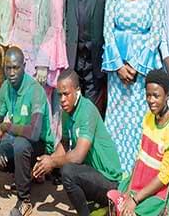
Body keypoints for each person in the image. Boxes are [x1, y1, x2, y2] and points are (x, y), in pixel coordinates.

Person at [101, 0, 163, 172]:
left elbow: (156, 32)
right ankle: (114, 170)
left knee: (139, 121)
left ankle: (137, 173)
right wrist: (119, 66)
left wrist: (136, 66)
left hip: (141, 71)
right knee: (116, 120)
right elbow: (108, 29)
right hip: (118, 71)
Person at [32, 70, 122, 216]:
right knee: (64, 168)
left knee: (68, 171)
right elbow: (65, 143)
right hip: (94, 173)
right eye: (59, 95)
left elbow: (79, 155)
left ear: (78, 91)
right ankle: (96, 206)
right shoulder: (67, 111)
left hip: (110, 180)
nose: (62, 99)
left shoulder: (87, 110)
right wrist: (46, 163)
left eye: (66, 94)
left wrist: (52, 162)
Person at [9, 0, 68, 136]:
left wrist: (43, 62)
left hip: (41, 56)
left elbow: (55, 26)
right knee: (18, 102)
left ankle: (43, 155)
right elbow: (12, 14)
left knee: (38, 107)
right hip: (18, 51)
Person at [111, 69, 169, 216]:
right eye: (148, 95)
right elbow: (140, 157)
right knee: (117, 199)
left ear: (167, 96)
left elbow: (164, 177)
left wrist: (135, 199)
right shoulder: (149, 117)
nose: (151, 100)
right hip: (142, 179)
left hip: (160, 188)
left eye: (156, 96)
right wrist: (129, 191)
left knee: (133, 211)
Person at [0, 47, 55, 216]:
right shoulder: (6, 86)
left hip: (39, 145)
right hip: (18, 139)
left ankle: (24, 200)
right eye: (8, 68)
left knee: (20, 145)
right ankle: (24, 174)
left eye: (15, 67)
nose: (11, 72)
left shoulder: (35, 90)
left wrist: (5, 127)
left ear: (24, 66)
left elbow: (34, 133)